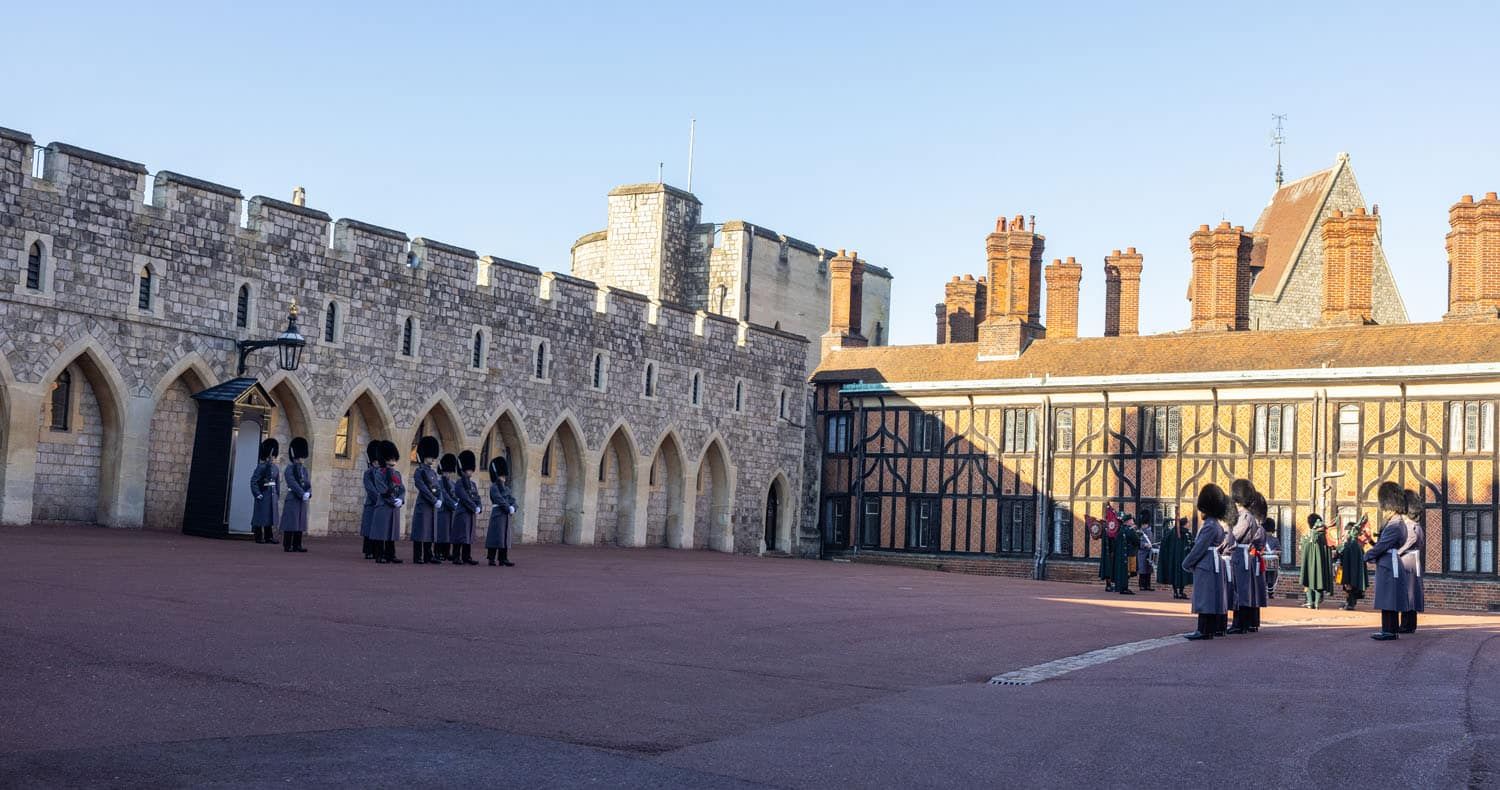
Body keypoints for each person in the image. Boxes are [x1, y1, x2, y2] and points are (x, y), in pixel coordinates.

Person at [1183, 484, 1231, 641]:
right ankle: (1208, 629)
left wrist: (1187, 563)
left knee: (1204, 597)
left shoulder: (1209, 526)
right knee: (1211, 597)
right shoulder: (1216, 524)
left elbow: (1199, 548)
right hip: (1213, 562)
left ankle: (1202, 630)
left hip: (1206, 563)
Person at [1364, 482, 1410, 640]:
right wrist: (1371, 542)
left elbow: (1382, 545)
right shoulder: (1395, 523)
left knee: (1389, 597)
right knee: (1388, 597)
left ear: (1392, 507)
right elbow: (1382, 544)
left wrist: (1366, 556)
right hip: (1388, 561)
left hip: (1389, 564)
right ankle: (1390, 629)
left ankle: (1389, 631)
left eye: (1386, 508)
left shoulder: (1394, 525)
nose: (1384, 512)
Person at [1225, 481, 1264, 634]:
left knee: (1239, 590)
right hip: (1242, 554)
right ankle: (1244, 623)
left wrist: (1223, 541)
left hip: (1240, 554)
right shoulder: (1247, 515)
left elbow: (1235, 535)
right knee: (1242, 589)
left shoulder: (1245, 516)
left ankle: (1239, 623)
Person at [409, 436, 442, 564]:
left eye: (433, 457)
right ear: (424, 456)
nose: (432, 459)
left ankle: (429, 555)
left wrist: (440, 498)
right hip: (424, 504)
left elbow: (438, 488)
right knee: (420, 530)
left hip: (432, 506)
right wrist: (434, 500)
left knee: (430, 530)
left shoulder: (432, 473)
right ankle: (418, 556)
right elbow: (422, 488)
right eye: (430, 456)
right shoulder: (419, 471)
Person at [372, 440, 405, 564]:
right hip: (384, 506)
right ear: (385, 459)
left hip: (393, 507)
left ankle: (391, 554)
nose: (393, 463)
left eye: (394, 460)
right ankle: (380, 555)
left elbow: (402, 489)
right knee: (382, 532)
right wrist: (392, 500)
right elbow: (383, 490)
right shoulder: (379, 473)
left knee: (392, 531)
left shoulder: (397, 474)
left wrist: (400, 500)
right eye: (390, 460)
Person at [1399, 490, 1426, 634]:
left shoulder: (1410, 526)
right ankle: (1409, 624)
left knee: (1408, 593)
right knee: (1411, 593)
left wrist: (1395, 553)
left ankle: (1406, 625)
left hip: (1407, 561)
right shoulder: (1417, 526)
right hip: (1413, 560)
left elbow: (1409, 541)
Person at [280, 436, 311, 553]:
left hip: (301, 499)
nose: (303, 459)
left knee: (300, 522)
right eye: (301, 456)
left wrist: (308, 492)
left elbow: (307, 483)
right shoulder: (290, 469)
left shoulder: (304, 470)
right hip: (293, 498)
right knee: (291, 522)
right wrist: (302, 493)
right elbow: (292, 483)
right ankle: (287, 545)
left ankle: (297, 544)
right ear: (296, 456)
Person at [450, 450, 481, 566]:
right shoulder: (459, 483)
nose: (471, 471)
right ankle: (456, 556)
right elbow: (464, 497)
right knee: (460, 535)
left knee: (468, 535)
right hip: (462, 512)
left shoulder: (473, 484)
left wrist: (479, 506)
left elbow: (477, 497)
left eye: (471, 469)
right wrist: (474, 507)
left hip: (470, 513)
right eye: (469, 469)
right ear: (463, 469)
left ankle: (467, 556)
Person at [485, 457, 518, 566]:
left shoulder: (507, 488)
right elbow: (499, 499)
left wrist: (514, 507)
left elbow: (513, 500)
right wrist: (509, 508)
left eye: (504, 475)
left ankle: (503, 558)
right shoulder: (494, 487)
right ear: (497, 475)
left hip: (505, 515)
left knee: (504, 537)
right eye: (501, 475)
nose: (504, 477)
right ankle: (491, 558)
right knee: (495, 536)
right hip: (498, 514)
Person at [1298, 514, 1333, 609]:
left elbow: (1301, 548)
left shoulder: (1307, 536)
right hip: (1319, 563)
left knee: (1308, 581)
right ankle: (1316, 603)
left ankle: (1310, 602)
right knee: (1319, 581)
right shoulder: (1324, 537)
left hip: (1309, 563)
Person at [250, 438, 280, 545]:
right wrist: (257, 494)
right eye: (271, 456)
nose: (272, 458)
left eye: (273, 456)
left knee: (269, 517)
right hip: (263, 494)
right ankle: (258, 536)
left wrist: (277, 496)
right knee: (260, 516)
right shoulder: (261, 467)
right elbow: (254, 481)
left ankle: (269, 537)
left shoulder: (275, 468)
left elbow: (277, 483)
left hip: (272, 495)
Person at [1337, 517, 1370, 610]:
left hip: (1350, 570)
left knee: (1350, 585)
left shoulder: (1352, 544)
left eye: (1346, 532)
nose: (1345, 534)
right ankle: (1349, 602)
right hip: (1347, 568)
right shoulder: (1352, 543)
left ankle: (1350, 603)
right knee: (1348, 585)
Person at [1158, 517, 1193, 599]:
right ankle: (1178, 592)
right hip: (1178, 557)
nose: (1189, 524)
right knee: (1179, 574)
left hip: (1177, 558)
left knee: (1179, 575)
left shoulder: (1180, 533)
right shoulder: (1177, 533)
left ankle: (1177, 592)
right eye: (1188, 523)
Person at [435, 453, 459, 564]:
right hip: (442, 510)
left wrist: (457, 502)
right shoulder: (439, 482)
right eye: (446, 472)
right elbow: (444, 495)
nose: (447, 474)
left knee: (449, 533)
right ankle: (438, 552)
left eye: (449, 472)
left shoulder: (452, 483)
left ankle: (446, 552)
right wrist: (453, 504)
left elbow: (454, 494)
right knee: (441, 533)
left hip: (450, 511)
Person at [361, 441, 381, 560]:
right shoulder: (368, 473)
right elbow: (370, 489)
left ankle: (376, 550)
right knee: (369, 528)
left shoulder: (381, 472)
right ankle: (368, 551)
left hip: (380, 503)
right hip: (372, 503)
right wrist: (380, 498)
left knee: (377, 528)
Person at [1136, 518, 1155, 592]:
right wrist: (1144, 545)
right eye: (1144, 524)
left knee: (1148, 570)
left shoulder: (1149, 532)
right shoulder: (1139, 532)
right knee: (1142, 570)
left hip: (1149, 552)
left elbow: (1152, 541)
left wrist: (1151, 546)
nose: (1145, 526)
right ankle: (1142, 585)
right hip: (1142, 553)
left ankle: (1148, 585)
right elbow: (1138, 543)